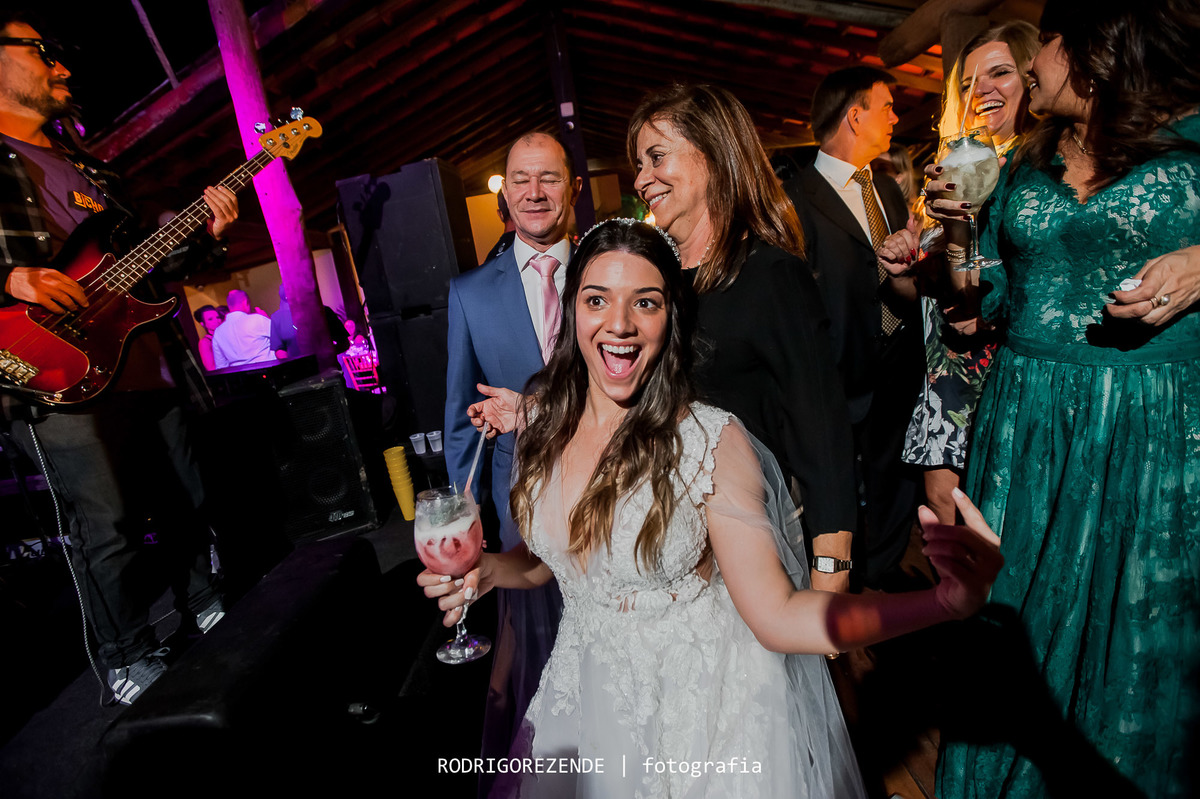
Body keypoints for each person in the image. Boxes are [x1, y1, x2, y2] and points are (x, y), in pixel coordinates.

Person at [422, 219, 1003, 797]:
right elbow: (567, 560)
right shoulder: (546, 424)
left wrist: (942, 602)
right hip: (583, 700)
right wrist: (492, 571)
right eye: (597, 299)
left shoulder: (707, 442)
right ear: (572, 309)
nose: (618, 324)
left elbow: (782, 618)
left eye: (644, 302)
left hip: (698, 723)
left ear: (670, 317)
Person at [921, 1, 1200, 794]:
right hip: (1027, 424)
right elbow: (985, 300)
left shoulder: (1192, 134)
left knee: (1137, 629)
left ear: (1088, 48)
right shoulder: (1024, 161)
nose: (1030, 64)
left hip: (1154, 427)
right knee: (1014, 623)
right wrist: (961, 237)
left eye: (1038, 45)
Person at [0, 11, 237, 704]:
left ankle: (207, 602)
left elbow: (142, 264)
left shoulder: (90, 168)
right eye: (43, 52)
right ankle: (127, 652)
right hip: (50, 368)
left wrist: (207, 234)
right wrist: (9, 278)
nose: (63, 67)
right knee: (106, 522)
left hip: (140, 358)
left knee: (187, 498)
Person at [627, 84, 859, 593]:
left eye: (656, 157)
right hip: (669, 546)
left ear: (711, 153)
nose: (642, 179)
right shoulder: (655, 284)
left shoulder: (770, 276)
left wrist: (830, 575)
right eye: (639, 164)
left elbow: (822, 431)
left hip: (756, 542)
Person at [443, 131, 581, 780]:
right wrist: (465, 519)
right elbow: (459, 418)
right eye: (519, 179)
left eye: (548, 177)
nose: (533, 191)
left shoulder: (606, 269)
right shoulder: (469, 293)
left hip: (614, 494)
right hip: (523, 508)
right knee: (541, 654)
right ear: (504, 194)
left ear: (571, 186)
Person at [880, 21, 1039, 524]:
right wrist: (905, 261)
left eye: (1000, 73)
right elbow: (917, 296)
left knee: (1002, 526)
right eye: (969, 84)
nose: (982, 91)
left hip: (1001, 370)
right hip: (945, 375)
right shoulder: (954, 166)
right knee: (946, 530)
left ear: (1033, 77)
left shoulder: (1038, 171)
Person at [784, 67, 925, 590]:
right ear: (855, 114)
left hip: (895, 359)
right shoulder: (796, 198)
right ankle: (839, 587)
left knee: (894, 476)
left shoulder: (885, 188)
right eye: (887, 106)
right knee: (836, 486)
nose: (895, 117)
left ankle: (884, 573)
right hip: (836, 371)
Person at [211, 288, 273, 367]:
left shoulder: (218, 332)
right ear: (245, 302)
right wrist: (266, 318)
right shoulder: (258, 319)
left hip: (241, 377)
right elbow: (281, 340)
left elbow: (221, 366)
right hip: (268, 371)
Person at [193, 303, 224, 371]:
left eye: (217, 317)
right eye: (210, 319)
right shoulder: (205, 342)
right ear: (203, 324)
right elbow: (211, 368)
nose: (216, 321)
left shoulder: (223, 336)